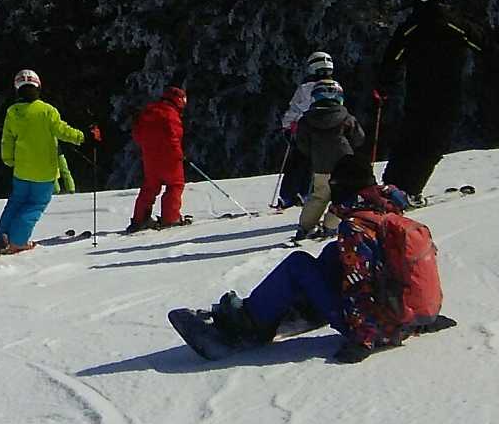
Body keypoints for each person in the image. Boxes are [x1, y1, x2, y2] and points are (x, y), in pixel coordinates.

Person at [177, 155, 452, 363]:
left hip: (376, 328)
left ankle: (249, 322)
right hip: (404, 319)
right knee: (333, 254)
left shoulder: (356, 227)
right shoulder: (385, 213)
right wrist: (424, 320)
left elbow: (360, 284)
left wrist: (363, 340)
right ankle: (301, 305)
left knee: (298, 263)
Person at [377, 0, 499, 202]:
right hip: (448, 96)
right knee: (434, 143)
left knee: (409, 138)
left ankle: (392, 186)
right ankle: (409, 190)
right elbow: (486, 46)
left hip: (417, 95)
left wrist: (383, 87)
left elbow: (392, 60)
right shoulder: (456, 24)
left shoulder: (410, 27)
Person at [0, 69, 89, 255]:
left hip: (21, 170)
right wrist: (82, 137)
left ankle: (1, 238)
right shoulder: (47, 111)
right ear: (38, 87)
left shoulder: (12, 112)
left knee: (15, 203)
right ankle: (18, 241)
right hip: (44, 172)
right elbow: (62, 131)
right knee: (34, 205)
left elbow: (7, 139)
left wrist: (9, 159)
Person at [291, 80, 366, 242]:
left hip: (321, 164)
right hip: (344, 163)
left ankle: (305, 227)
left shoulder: (307, 120)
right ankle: (330, 226)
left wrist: (313, 154)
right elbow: (358, 138)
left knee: (319, 196)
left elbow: (302, 143)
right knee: (342, 195)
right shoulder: (346, 117)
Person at [276, 51, 335, 208]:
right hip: (327, 133)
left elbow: (296, 108)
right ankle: (304, 193)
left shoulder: (306, 88)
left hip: (304, 131)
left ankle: (289, 196)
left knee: (297, 162)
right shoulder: (336, 87)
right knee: (313, 164)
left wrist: (287, 126)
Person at [129, 86, 188, 230]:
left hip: (150, 157)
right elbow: (173, 137)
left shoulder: (149, 111)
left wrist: (148, 147)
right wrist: (179, 154)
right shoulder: (171, 114)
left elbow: (137, 134)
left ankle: (140, 219)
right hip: (170, 157)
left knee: (150, 186)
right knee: (175, 185)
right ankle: (171, 217)